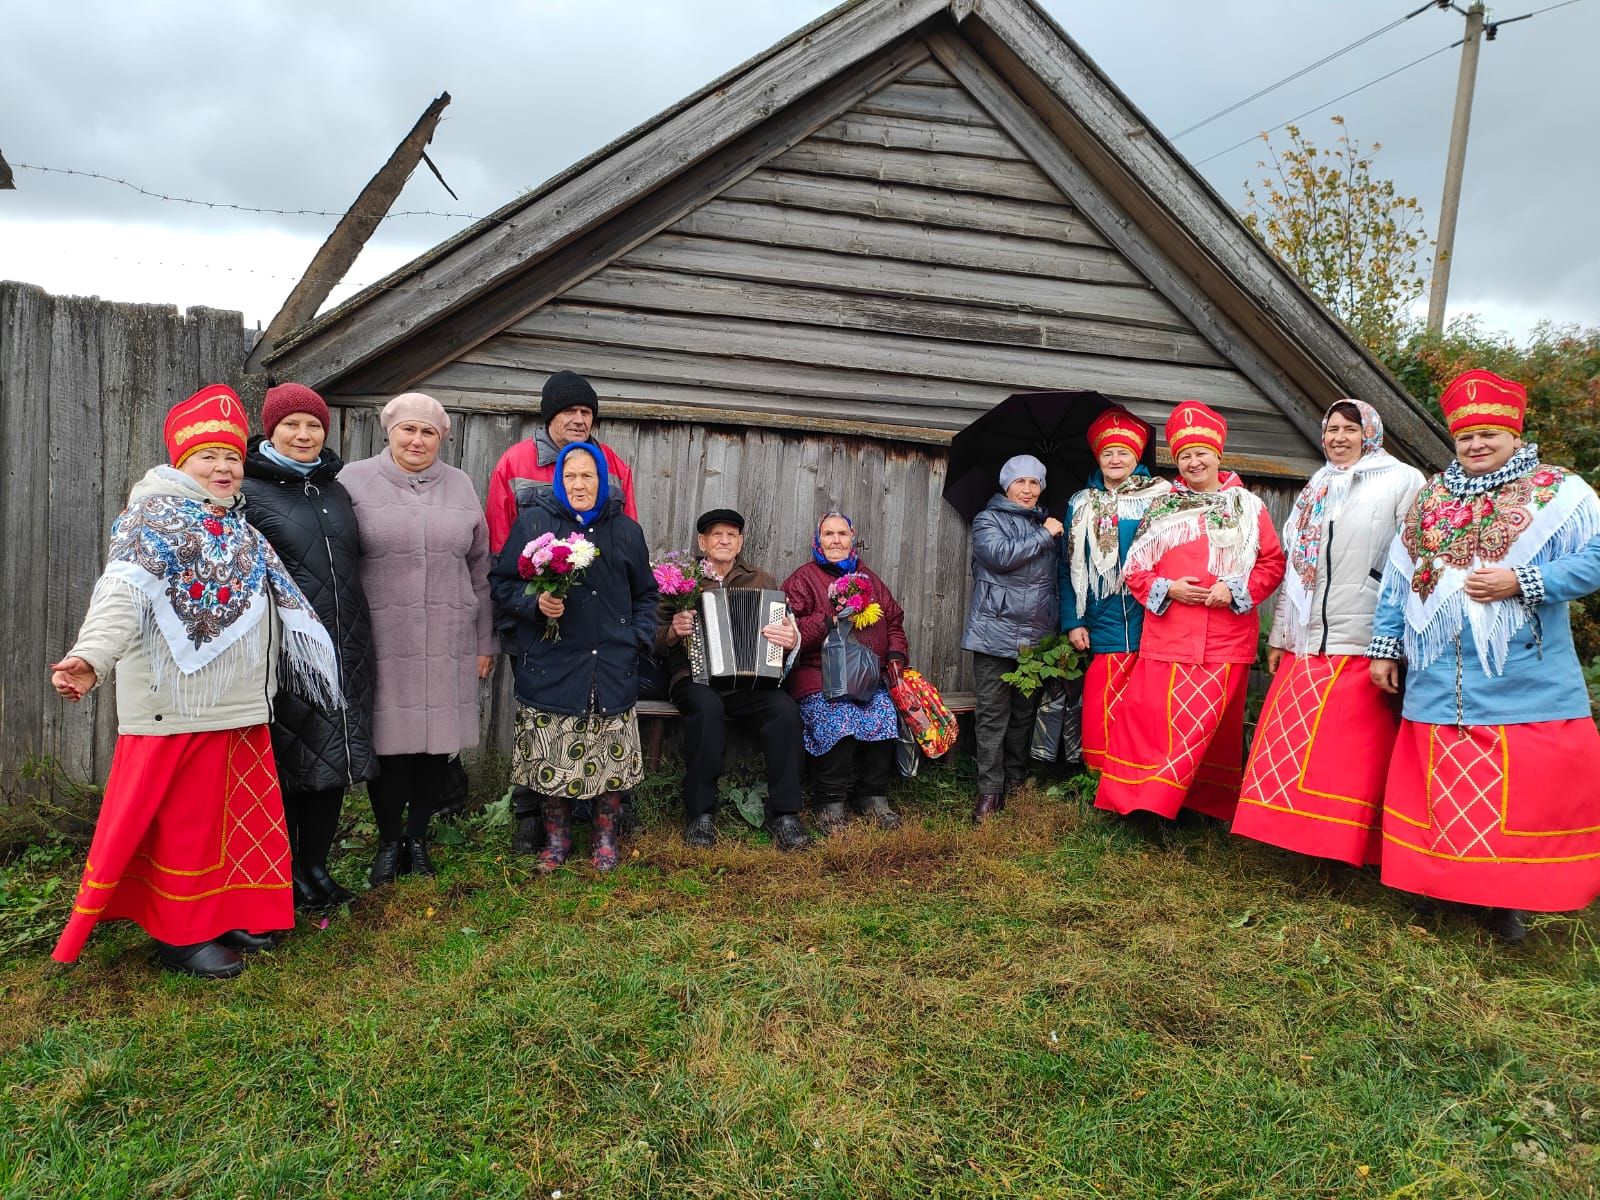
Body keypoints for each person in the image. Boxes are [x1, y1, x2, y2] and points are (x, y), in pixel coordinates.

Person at [49, 385, 343, 978]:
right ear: (181, 463)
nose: (223, 467)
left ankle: (224, 912)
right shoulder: (150, 522)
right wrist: (90, 657)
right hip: (176, 708)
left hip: (238, 708)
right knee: (185, 823)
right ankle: (180, 934)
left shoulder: (237, 530)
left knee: (229, 823)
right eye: (208, 456)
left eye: (233, 457)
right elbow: (121, 595)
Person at [1367, 369, 1600, 942]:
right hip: (1437, 673)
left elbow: (1594, 560)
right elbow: (1400, 580)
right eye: (1466, 436)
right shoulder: (1430, 498)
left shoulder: (1559, 492)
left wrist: (1525, 580)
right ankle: (1439, 883)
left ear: (1514, 435)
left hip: (1522, 670)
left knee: (1521, 787)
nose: (1475, 445)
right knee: (1441, 782)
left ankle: (1508, 901)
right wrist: (1385, 646)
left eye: (1489, 435)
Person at [1233, 400, 1423, 867]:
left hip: (1364, 635)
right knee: (1295, 743)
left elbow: (1414, 562)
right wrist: (1281, 634)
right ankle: (1295, 839)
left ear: (1370, 433)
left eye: (1349, 429)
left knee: (1349, 751)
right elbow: (1297, 571)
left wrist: (1392, 640)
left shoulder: (1402, 480)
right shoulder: (1317, 484)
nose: (1338, 437)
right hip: (1309, 639)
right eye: (1331, 429)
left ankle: (1346, 848)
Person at [1095, 402, 1285, 822]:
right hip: (1170, 636)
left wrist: (1233, 588)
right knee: (1154, 723)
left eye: (1201, 452)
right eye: (1185, 455)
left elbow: (1272, 564)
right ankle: (1142, 805)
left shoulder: (1249, 507)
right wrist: (1170, 588)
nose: (1194, 461)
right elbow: (1136, 569)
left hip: (1224, 639)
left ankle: (1198, 806)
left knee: (1209, 728)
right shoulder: (1161, 508)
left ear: (1218, 455)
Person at [341, 392, 496, 886]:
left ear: (442, 438)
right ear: (389, 431)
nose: (417, 439)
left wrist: (484, 642)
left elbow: (480, 570)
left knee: (435, 747)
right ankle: (389, 841)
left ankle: (418, 838)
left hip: (449, 637)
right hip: (382, 639)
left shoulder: (461, 485)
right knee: (390, 746)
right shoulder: (354, 482)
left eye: (428, 432)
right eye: (408, 429)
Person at [483, 369, 638, 852]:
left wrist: (629, 624)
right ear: (549, 415)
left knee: (597, 714)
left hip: (599, 625)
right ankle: (535, 816)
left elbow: (625, 538)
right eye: (569, 411)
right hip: (541, 617)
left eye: (586, 412)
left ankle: (600, 819)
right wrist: (529, 607)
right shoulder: (517, 461)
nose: (578, 419)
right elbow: (501, 538)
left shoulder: (612, 461)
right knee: (543, 715)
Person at [242, 382, 377, 911]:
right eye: (291, 424)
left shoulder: (334, 488)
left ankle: (315, 865)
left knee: (331, 760)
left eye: (313, 425)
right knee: (290, 762)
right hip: (286, 651)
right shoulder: (249, 492)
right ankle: (284, 872)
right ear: (270, 429)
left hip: (346, 644)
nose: (303, 434)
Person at [658, 508, 808, 852]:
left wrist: (790, 641)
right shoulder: (682, 579)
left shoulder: (762, 580)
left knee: (784, 710)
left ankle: (784, 814)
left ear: (740, 542)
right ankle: (701, 815)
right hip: (694, 678)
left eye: (731, 535)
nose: (724, 540)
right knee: (706, 708)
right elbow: (649, 635)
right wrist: (671, 632)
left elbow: (786, 633)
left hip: (748, 683)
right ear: (702, 542)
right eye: (716, 535)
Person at [1059, 408, 1171, 775]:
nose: (1115, 459)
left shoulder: (1161, 497)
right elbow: (1067, 565)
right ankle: (1101, 774)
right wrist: (1073, 620)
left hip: (1152, 613)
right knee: (1102, 694)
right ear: (1098, 458)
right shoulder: (1081, 503)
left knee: (1146, 698)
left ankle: (1143, 772)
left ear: (1136, 456)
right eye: (1108, 453)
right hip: (1100, 612)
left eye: (1123, 452)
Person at [783, 512, 910, 833]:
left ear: (853, 538)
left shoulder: (870, 579)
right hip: (818, 676)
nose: (836, 540)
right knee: (838, 717)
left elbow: (893, 621)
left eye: (842, 533)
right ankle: (829, 801)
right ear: (818, 540)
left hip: (866, 676)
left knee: (883, 713)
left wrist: (895, 655)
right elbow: (788, 630)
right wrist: (830, 617)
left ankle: (873, 795)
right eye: (828, 534)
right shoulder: (803, 579)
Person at [962, 455, 1064, 823]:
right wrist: (1045, 534)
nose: (1027, 489)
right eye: (1019, 482)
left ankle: (1015, 781)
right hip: (993, 633)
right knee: (992, 716)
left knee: (1024, 714)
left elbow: (1059, 580)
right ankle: (989, 792)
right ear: (1006, 485)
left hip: (1036, 637)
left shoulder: (1048, 523)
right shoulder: (987, 519)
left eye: (1034, 483)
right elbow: (1000, 556)